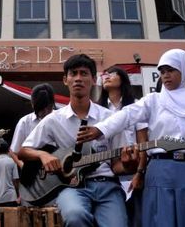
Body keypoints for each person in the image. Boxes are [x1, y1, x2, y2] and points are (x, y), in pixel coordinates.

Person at [82, 49, 185, 227]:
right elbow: (128, 114)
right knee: (162, 220)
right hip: (161, 171)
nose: (165, 75)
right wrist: (100, 129)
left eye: (171, 70)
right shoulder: (154, 100)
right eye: (162, 71)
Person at [19, 54, 137, 227]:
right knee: (75, 216)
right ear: (65, 80)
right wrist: (43, 155)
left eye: (84, 73)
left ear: (94, 79)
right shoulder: (54, 120)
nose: (78, 79)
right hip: (71, 188)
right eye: (73, 74)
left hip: (108, 187)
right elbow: (23, 151)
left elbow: (117, 165)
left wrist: (129, 165)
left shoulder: (110, 119)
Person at [97, 65, 148, 227]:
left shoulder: (136, 106)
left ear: (123, 80)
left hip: (133, 171)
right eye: (105, 74)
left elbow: (143, 143)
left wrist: (139, 173)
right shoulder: (98, 109)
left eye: (112, 73)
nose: (107, 76)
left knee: (137, 218)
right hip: (108, 175)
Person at [9, 83, 55, 168]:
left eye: (48, 108)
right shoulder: (25, 122)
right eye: (41, 109)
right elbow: (14, 151)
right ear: (33, 104)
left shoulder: (61, 119)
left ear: (52, 104)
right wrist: (24, 168)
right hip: (35, 177)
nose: (45, 112)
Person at [0, 139, 20, 207]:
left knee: (0, 217)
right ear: (8, 150)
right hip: (11, 198)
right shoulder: (12, 161)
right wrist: (18, 195)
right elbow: (15, 180)